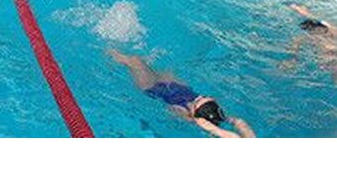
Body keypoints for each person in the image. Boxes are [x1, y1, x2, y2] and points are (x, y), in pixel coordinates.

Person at [108, 49, 255, 137]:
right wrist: (232, 121)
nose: (200, 97)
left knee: (135, 61)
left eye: (198, 101)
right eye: (204, 97)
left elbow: (225, 135)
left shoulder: (186, 115)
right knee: (150, 63)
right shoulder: (213, 113)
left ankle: (108, 50)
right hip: (177, 86)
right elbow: (240, 123)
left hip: (152, 89)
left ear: (197, 117)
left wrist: (210, 127)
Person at [282, 4, 337, 81]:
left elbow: (295, 44)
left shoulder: (331, 31)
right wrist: (292, 59)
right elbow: (295, 44)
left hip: (329, 57)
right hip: (329, 57)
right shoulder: (309, 37)